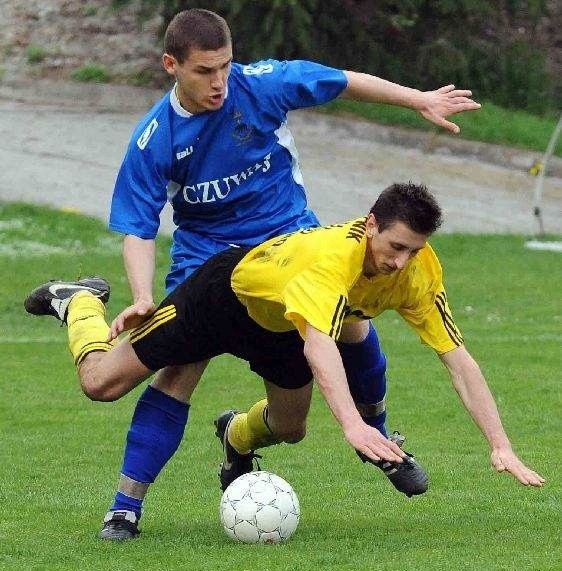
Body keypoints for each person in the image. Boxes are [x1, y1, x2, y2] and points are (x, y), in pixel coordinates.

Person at [102, 7, 482, 539]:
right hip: (208, 264)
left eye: (226, 67)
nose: (219, 82)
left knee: (342, 342)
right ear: (172, 65)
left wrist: (419, 99)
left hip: (293, 245)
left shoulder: (262, 86)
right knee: (181, 369)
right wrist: (142, 294)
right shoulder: (155, 139)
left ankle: (377, 436)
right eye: (205, 71)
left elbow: (342, 81)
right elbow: (139, 226)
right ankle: (125, 506)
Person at [25, 182, 545, 541]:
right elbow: (320, 346)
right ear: (370, 226)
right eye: (395, 246)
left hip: (279, 329)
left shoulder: (417, 274)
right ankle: (79, 302)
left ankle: (234, 436)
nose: (400, 261)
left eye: (414, 249)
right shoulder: (330, 260)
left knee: (290, 428)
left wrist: (500, 445)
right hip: (219, 299)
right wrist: (354, 426)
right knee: (101, 382)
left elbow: (458, 360)